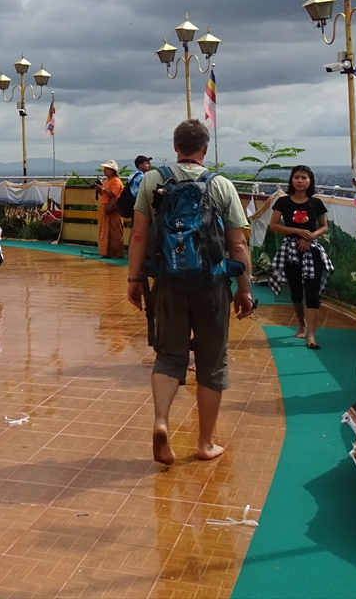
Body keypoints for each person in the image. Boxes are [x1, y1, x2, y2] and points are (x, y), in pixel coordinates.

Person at [126, 119, 254, 466]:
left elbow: (139, 235)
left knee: (169, 356)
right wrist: (244, 290)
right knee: (212, 362)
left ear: (175, 146)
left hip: (168, 282)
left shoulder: (153, 179)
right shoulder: (221, 185)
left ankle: (161, 421)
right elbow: (237, 244)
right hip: (212, 285)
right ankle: (205, 443)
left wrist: (134, 280)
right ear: (205, 149)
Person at [267, 165, 331, 349]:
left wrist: (310, 237)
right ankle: (301, 324)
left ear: (310, 181)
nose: (300, 181)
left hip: (312, 251)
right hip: (290, 250)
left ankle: (311, 336)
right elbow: (274, 225)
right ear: (291, 180)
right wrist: (298, 232)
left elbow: (324, 226)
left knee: (312, 293)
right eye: (297, 177)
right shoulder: (283, 202)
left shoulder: (316, 203)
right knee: (295, 291)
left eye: (304, 177)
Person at [96, 161, 128, 259]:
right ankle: (107, 251)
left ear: (112, 171)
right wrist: (99, 189)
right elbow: (105, 194)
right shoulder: (106, 180)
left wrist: (102, 188)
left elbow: (114, 194)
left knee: (115, 231)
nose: (104, 171)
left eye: (107, 169)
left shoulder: (116, 180)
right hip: (107, 207)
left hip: (114, 209)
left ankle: (117, 252)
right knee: (106, 230)